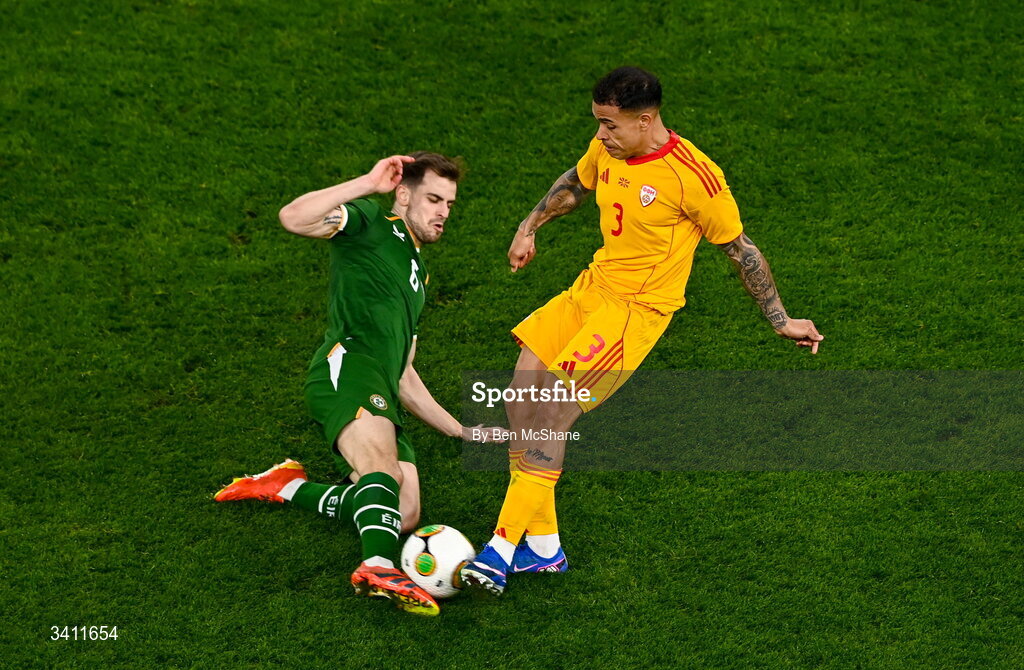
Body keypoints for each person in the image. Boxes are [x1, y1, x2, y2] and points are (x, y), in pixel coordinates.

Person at [460, 67, 824, 595]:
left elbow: (741, 251)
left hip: (634, 313)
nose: (601, 136)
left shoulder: (694, 177)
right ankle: (544, 548)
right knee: (521, 402)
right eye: (598, 124)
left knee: (553, 414)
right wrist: (528, 226)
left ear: (646, 120)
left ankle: (500, 548)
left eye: (610, 126)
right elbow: (576, 183)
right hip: (592, 288)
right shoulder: (608, 148)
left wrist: (780, 319)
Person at [215, 152, 503, 616]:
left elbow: (405, 374)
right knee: (380, 475)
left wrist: (461, 431)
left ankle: (285, 485)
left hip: (382, 386)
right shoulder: (370, 220)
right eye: (433, 198)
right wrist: (367, 185)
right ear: (403, 194)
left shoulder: (418, 275)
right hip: (349, 369)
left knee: (403, 514)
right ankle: (377, 565)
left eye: (449, 203)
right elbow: (293, 218)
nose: (443, 212)